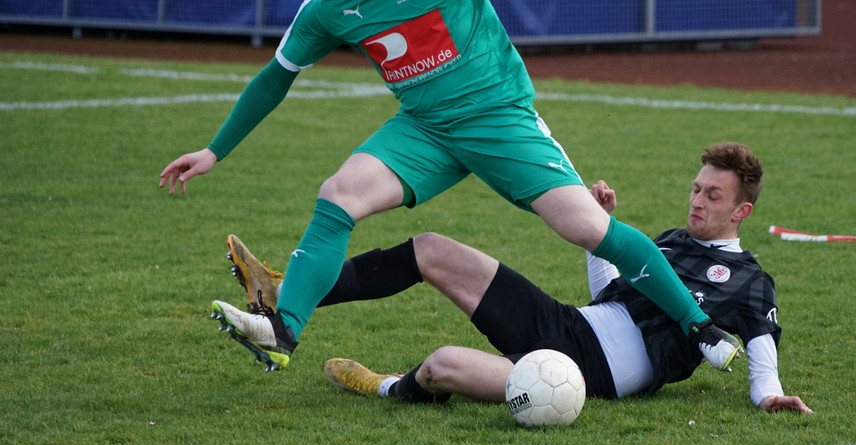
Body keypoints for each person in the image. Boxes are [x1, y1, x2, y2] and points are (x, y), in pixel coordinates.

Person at [163, 0, 740, 374]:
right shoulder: (328, 4)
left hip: (498, 118)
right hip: (425, 129)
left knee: (587, 228)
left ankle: (698, 325)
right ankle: (282, 328)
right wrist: (215, 150)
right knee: (339, 193)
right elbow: (276, 77)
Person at [217, 143, 812, 413]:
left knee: (441, 366)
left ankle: (386, 387)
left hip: (583, 376)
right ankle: (284, 292)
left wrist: (770, 395)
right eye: (696, 188)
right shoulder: (670, 242)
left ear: (742, 211)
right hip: (568, 324)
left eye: (713, 196)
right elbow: (606, 295)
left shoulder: (750, 281)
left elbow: (761, 357)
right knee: (430, 248)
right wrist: (602, 229)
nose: (697, 201)